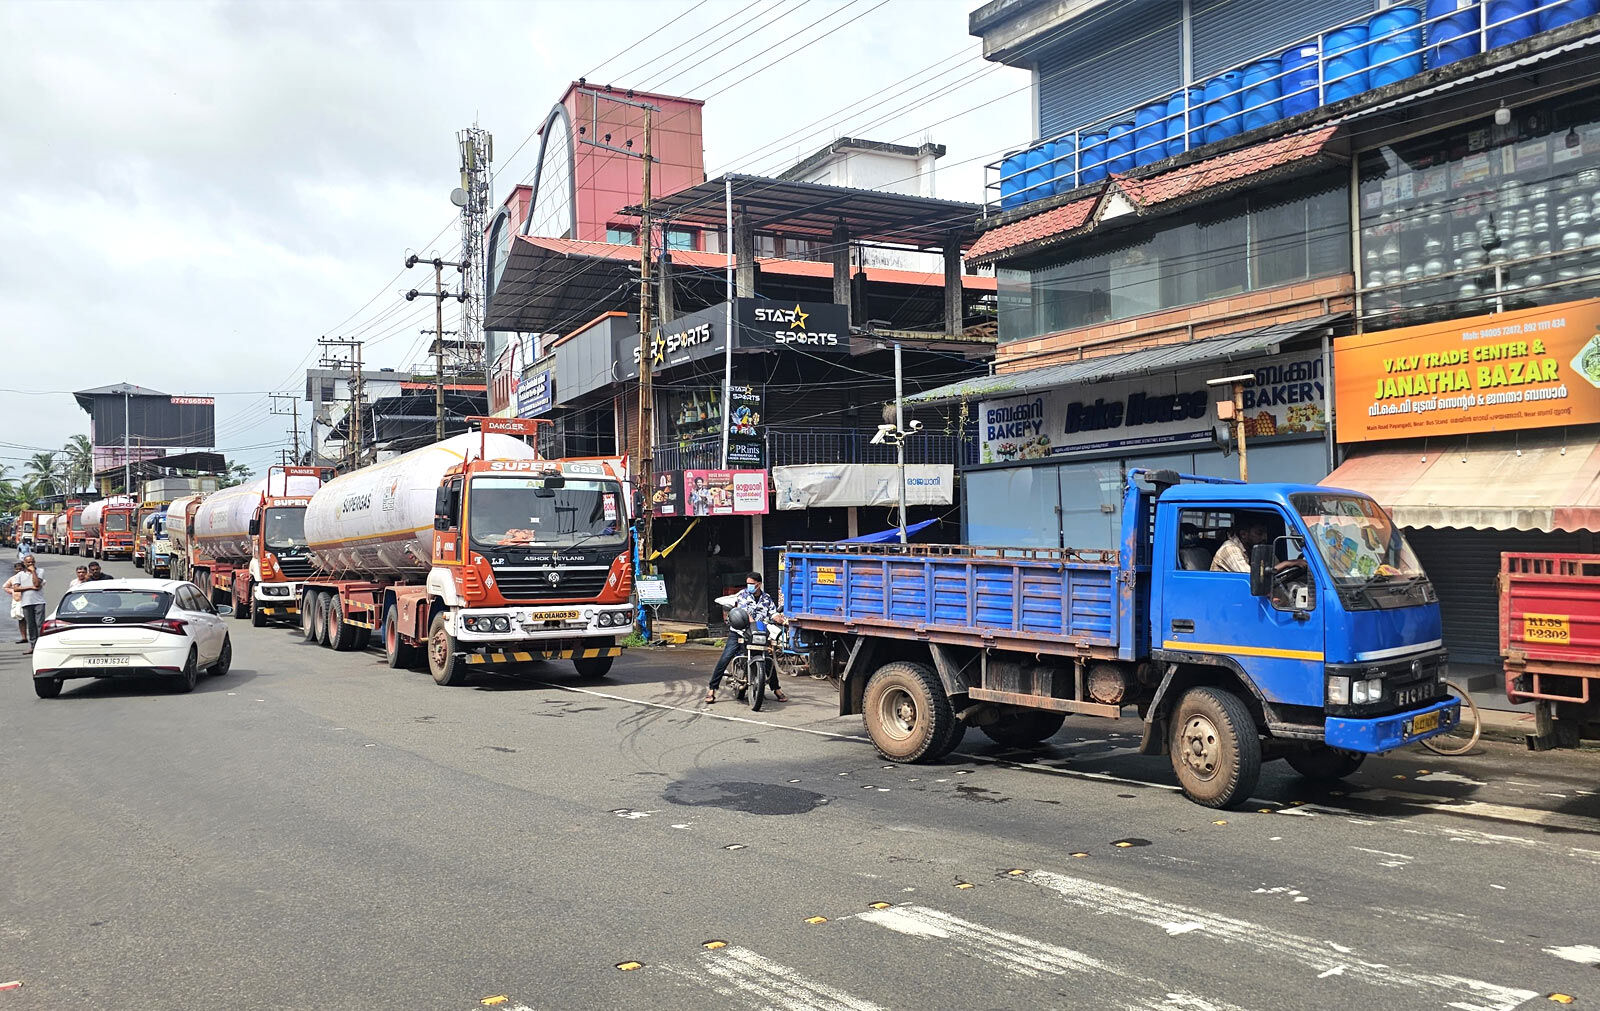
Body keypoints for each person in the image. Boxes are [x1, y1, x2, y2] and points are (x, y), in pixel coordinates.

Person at [705, 571, 788, 705]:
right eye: (748, 583)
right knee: (726, 658)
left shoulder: (766, 598)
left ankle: (776, 689)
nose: (749, 586)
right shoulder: (743, 595)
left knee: (767, 659)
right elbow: (744, 613)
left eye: (752, 584)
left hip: (759, 634)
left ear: (759, 584)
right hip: (740, 632)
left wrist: (779, 619)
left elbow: (772, 613)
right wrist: (751, 622)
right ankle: (712, 689)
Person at [5, 555, 46, 652]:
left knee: (39, 624)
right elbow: (16, 588)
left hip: (39, 602)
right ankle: (33, 646)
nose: (31, 564)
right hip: (26, 602)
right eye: (28, 562)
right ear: (24, 563)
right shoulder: (19, 575)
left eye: (32, 562)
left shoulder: (40, 571)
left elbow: (37, 584)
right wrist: (30, 588)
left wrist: (33, 572)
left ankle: (41, 646)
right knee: (31, 625)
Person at [7, 562, 26, 643]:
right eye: (16, 569)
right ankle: (24, 637)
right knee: (21, 619)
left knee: (31, 620)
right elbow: (5, 586)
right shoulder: (13, 579)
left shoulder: (27, 577)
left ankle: (35, 637)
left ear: (24, 569)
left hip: (28, 600)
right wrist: (12, 591)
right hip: (17, 601)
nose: (18, 570)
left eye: (20, 569)